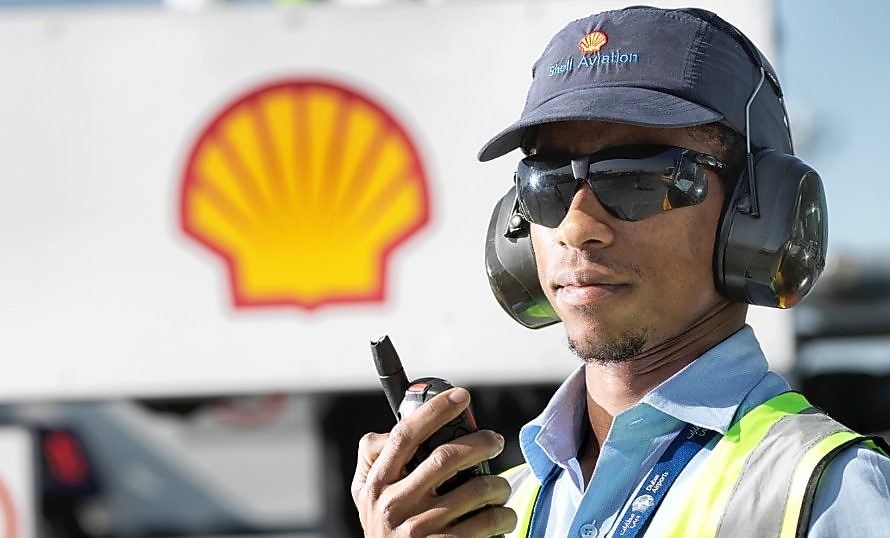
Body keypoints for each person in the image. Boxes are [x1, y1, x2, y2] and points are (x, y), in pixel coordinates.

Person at [351, 6, 890, 537]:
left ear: (758, 213)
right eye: (548, 182)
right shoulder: (493, 512)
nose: (577, 225)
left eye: (637, 179)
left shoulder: (833, 494)